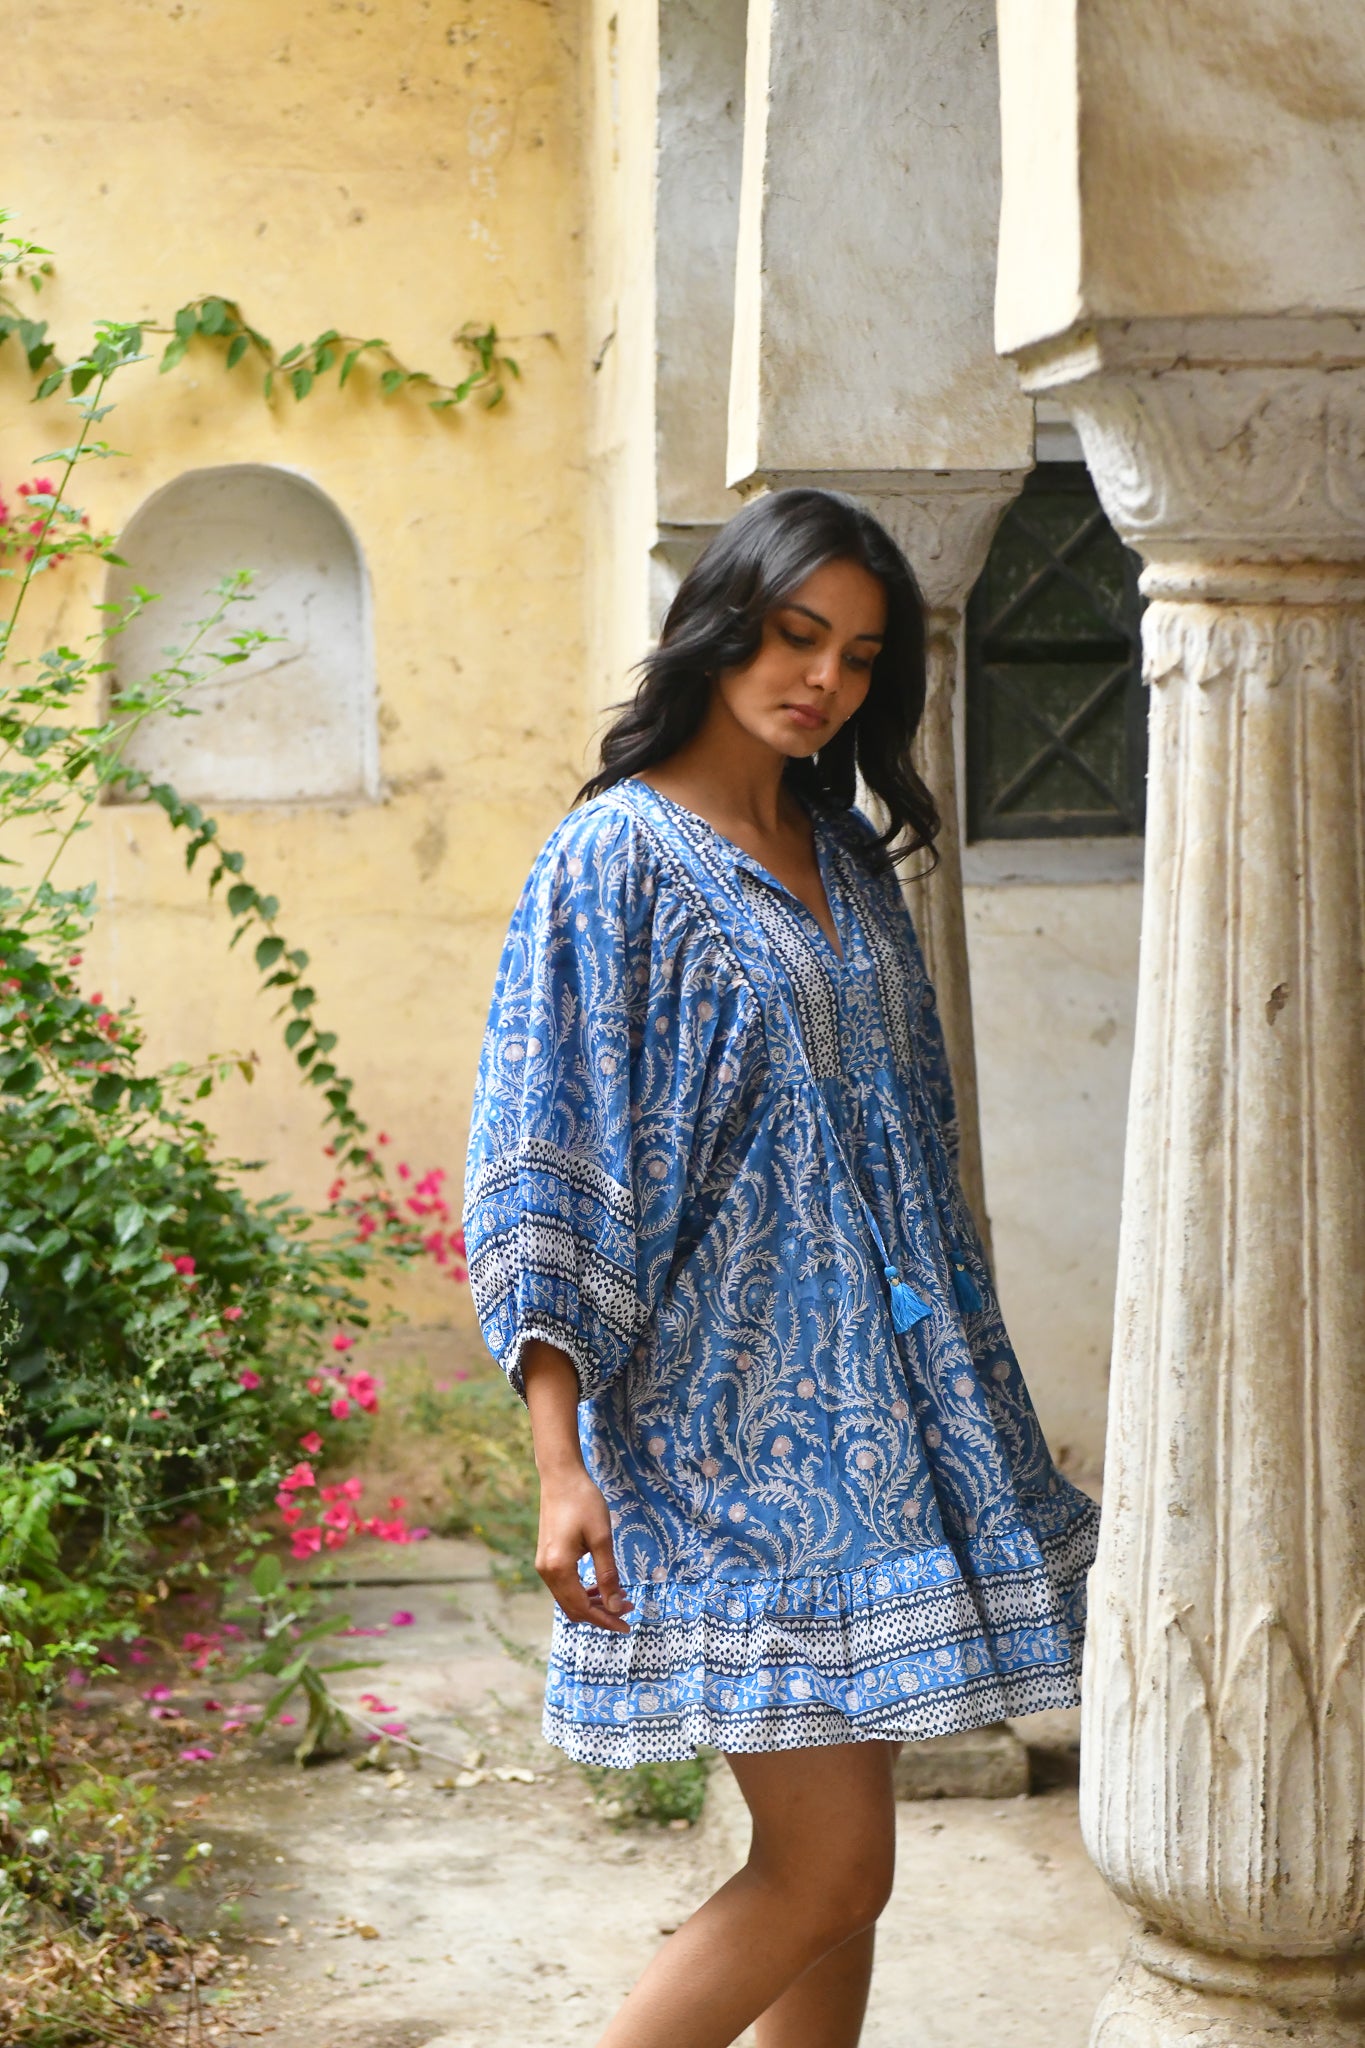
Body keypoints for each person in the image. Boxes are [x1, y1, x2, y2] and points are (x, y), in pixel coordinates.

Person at [463, 488, 1100, 2048]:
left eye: (859, 656)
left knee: (839, 1877)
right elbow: (548, 1157)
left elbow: (906, 1142)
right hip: (721, 1432)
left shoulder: (843, 849)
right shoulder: (611, 858)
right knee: (830, 1867)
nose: (821, 678)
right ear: (721, 623)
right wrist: (558, 1459)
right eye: (794, 634)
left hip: (879, 1426)